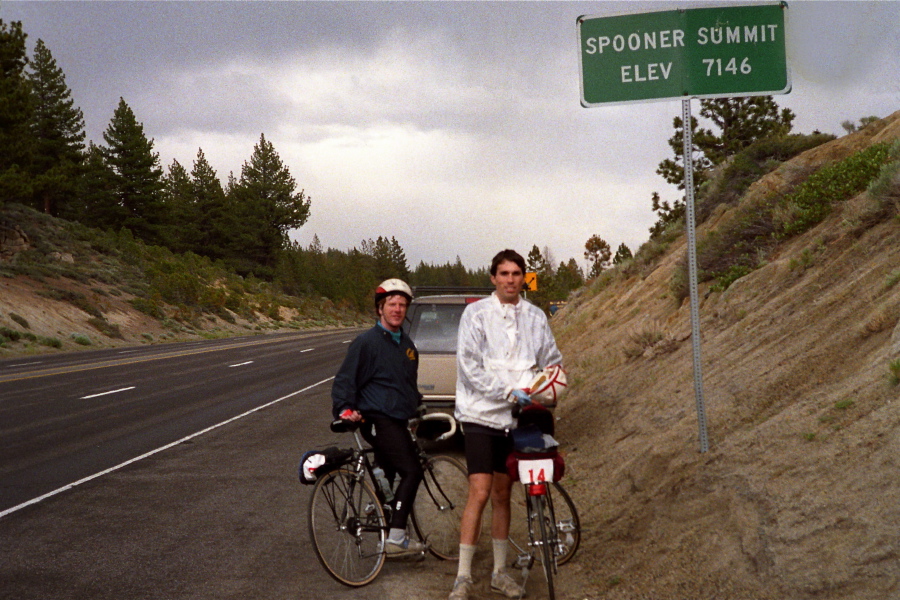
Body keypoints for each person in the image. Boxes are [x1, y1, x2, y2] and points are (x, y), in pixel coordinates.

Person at [449, 249, 563, 600]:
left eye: (516, 274)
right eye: (504, 274)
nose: (510, 280)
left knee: (503, 494)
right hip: (481, 415)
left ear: (523, 278)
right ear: (493, 278)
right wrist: (507, 391)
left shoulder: (535, 316)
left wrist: (551, 385)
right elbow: (469, 367)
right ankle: (462, 577)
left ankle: (499, 572)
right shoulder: (476, 314)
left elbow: (552, 360)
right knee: (480, 492)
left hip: (516, 420)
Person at [331, 278, 426, 556]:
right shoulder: (366, 343)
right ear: (380, 309)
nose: (397, 309)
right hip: (377, 419)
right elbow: (345, 380)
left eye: (402, 305)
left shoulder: (407, 345)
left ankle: (381, 515)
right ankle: (397, 536)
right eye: (391, 304)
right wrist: (344, 408)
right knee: (412, 471)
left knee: (390, 477)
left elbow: (407, 385)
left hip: (398, 419)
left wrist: (419, 410)